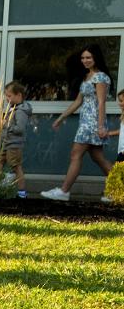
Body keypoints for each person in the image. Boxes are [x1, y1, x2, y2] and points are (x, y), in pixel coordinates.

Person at [40, 45, 115, 201]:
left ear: (96, 58)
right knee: (98, 157)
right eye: (83, 58)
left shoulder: (100, 77)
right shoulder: (87, 77)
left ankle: (64, 191)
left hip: (92, 122)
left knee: (76, 153)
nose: (85, 60)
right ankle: (119, 189)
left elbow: (101, 103)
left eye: (88, 57)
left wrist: (100, 126)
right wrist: (61, 117)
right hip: (85, 121)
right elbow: (78, 102)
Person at [2, 82, 32, 198]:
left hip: (14, 144)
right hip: (7, 142)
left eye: (9, 96)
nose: (6, 98)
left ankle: (21, 193)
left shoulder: (20, 111)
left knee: (16, 166)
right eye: (6, 96)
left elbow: (19, 129)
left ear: (18, 95)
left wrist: (6, 124)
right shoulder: (13, 109)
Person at [109, 89, 124, 163]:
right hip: (121, 152)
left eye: (121, 101)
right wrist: (109, 133)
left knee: (116, 174)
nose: (119, 104)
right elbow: (122, 131)